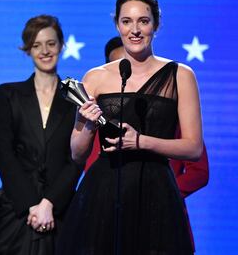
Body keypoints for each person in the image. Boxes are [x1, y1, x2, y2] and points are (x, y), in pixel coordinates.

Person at [56, 0, 203, 255]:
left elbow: (193, 148)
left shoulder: (181, 75)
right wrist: (86, 123)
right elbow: (77, 154)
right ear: (117, 25)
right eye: (126, 21)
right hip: (105, 192)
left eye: (143, 21)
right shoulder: (96, 77)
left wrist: (140, 141)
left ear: (155, 25)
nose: (134, 30)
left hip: (156, 192)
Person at [85, 36, 209, 252]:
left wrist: (162, 193)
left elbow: (197, 163)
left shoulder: (169, 110)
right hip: (108, 210)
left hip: (158, 211)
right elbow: (83, 160)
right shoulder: (99, 114)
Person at [0, 14, 82, 254]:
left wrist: (50, 203)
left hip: (61, 212)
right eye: (37, 45)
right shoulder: (8, 94)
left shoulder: (78, 95)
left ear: (61, 45)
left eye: (51, 43)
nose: (45, 51)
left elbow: (77, 157)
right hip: (17, 213)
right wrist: (32, 206)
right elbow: (4, 153)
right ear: (27, 50)